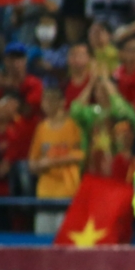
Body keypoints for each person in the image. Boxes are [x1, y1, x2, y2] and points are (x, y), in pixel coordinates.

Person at [28, 87, 86, 237]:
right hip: (45, 194)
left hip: (67, 193)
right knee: (43, 242)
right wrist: (39, 165)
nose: (46, 105)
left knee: (64, 242)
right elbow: (32, 163)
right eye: (44, 101)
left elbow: (80, 154)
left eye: (50, 101)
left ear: (61, 103)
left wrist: (52, 162)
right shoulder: (41, 128)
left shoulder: (73, 125)